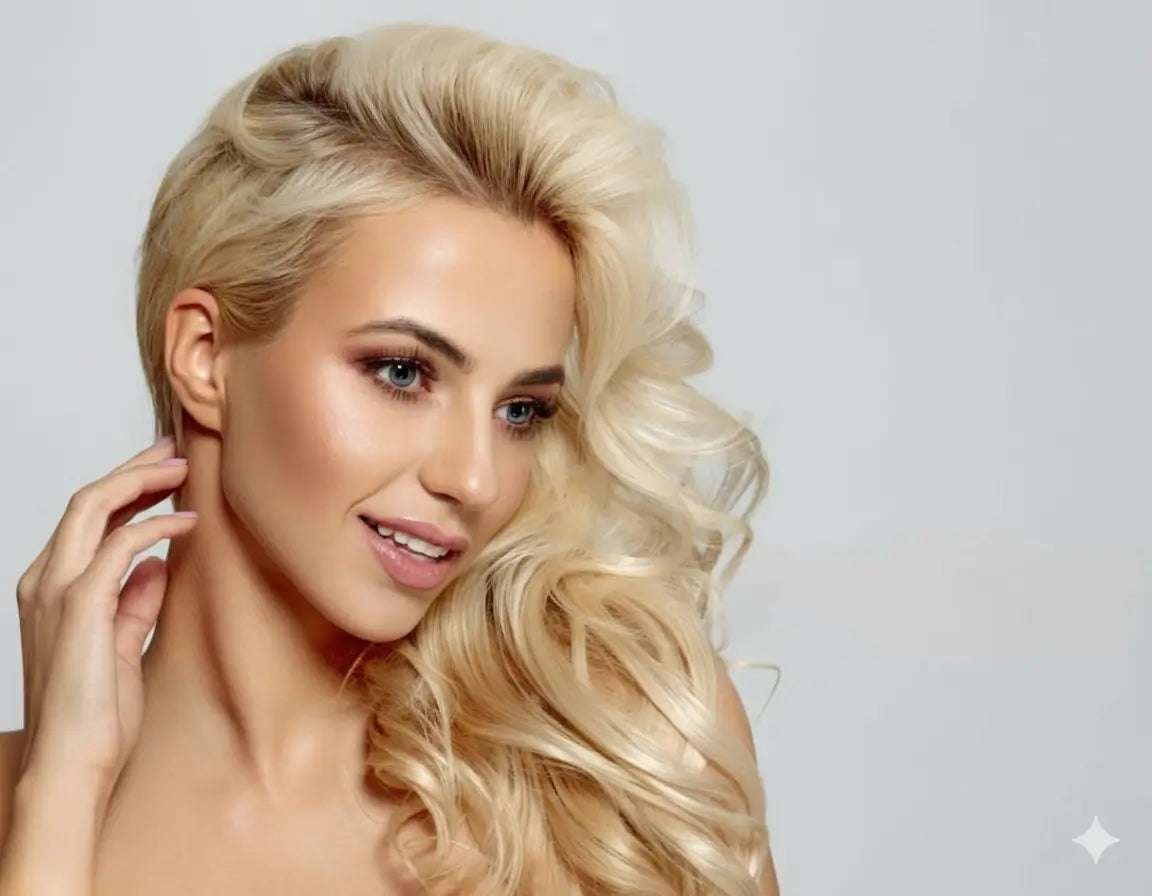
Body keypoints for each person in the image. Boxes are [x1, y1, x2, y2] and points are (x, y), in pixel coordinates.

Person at [0, 21, 779, 896]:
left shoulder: (625, 753)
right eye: (403, 372)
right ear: (205, 355)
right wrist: (58, 795)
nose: (475, 479)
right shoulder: (29, 804)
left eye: (520, 411)